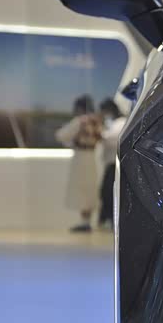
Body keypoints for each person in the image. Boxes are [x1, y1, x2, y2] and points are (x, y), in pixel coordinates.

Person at [55, 96, 102, 232]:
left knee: (81, 189)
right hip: (92, 157)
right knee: (89, 189)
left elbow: (61, 135)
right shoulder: (96, 121)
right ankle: (87, 221)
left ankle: (84, 222)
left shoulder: (80, 121)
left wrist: (70, 142)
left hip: (80, 157)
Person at [97, 98, 127, 229]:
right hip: (111, 163)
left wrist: (101, 133)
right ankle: (108, 219)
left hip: (116, 164)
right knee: (106, 192)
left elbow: (112, 138)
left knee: (109, 193)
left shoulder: (121, 122)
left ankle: (111, 220)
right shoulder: (114, 122)